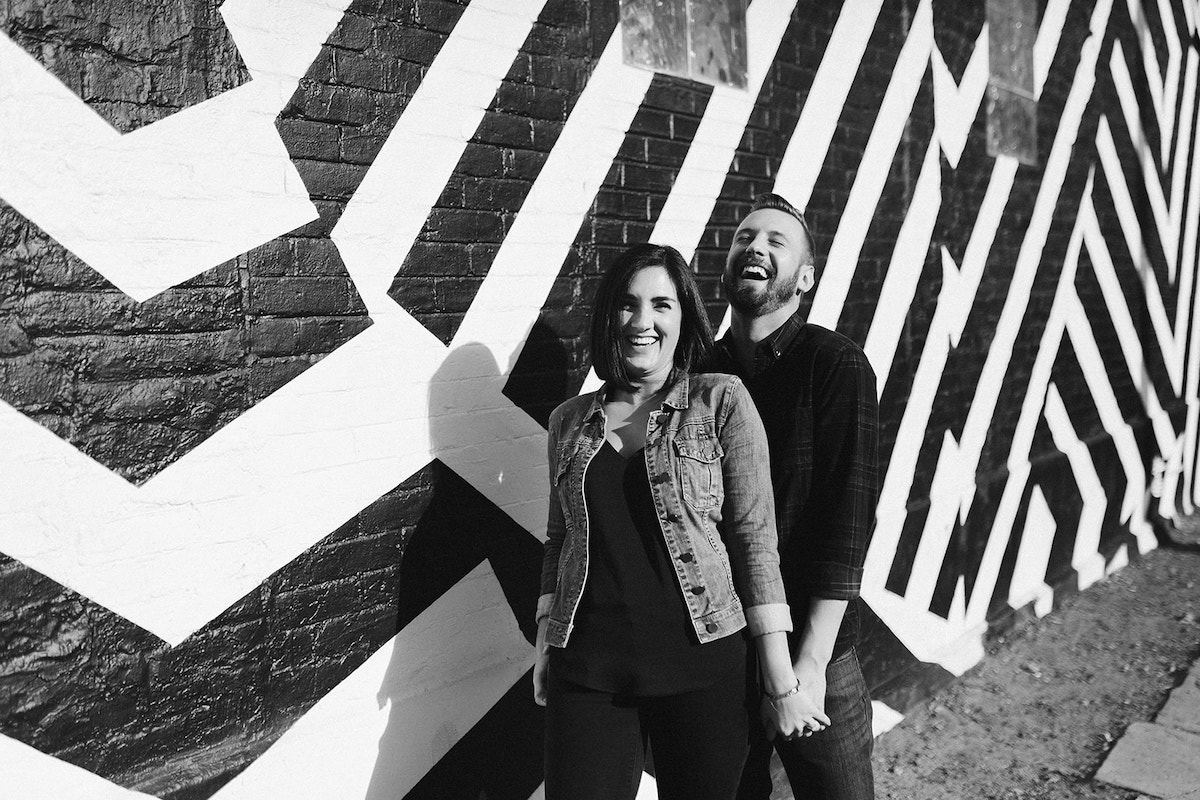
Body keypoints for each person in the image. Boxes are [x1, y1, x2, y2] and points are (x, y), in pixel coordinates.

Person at [532, 243, 820, 800]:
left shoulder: (720, 402)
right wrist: (546, 644)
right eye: (627, 304)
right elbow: (560, 537)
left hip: (704, 665)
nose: (643, 321)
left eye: (662, 305)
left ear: (683, 317)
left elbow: (754, 539)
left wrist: (781, 679)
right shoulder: (568, 421)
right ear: (607, 316)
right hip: (588, 668)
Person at [710, 193, 880, 800]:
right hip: (721, 651)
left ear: (805, 277)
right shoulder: (699, 373)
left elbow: (848, 522)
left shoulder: (834, 365)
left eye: (775, 242)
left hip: (816, 652)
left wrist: (808, 660)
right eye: (743, 238)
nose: (753, 246)